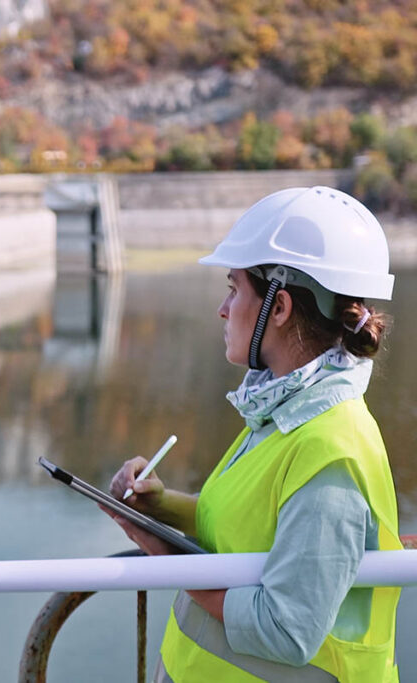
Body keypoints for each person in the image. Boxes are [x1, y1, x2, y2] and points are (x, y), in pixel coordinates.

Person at [105, 186, 403, 682]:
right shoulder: (287, 410)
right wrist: (160, 506)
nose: (223, 309)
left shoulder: (332, 451)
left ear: (278, 307)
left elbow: (286, 631)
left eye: (233, 289)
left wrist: (166, 558)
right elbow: (248, 524)